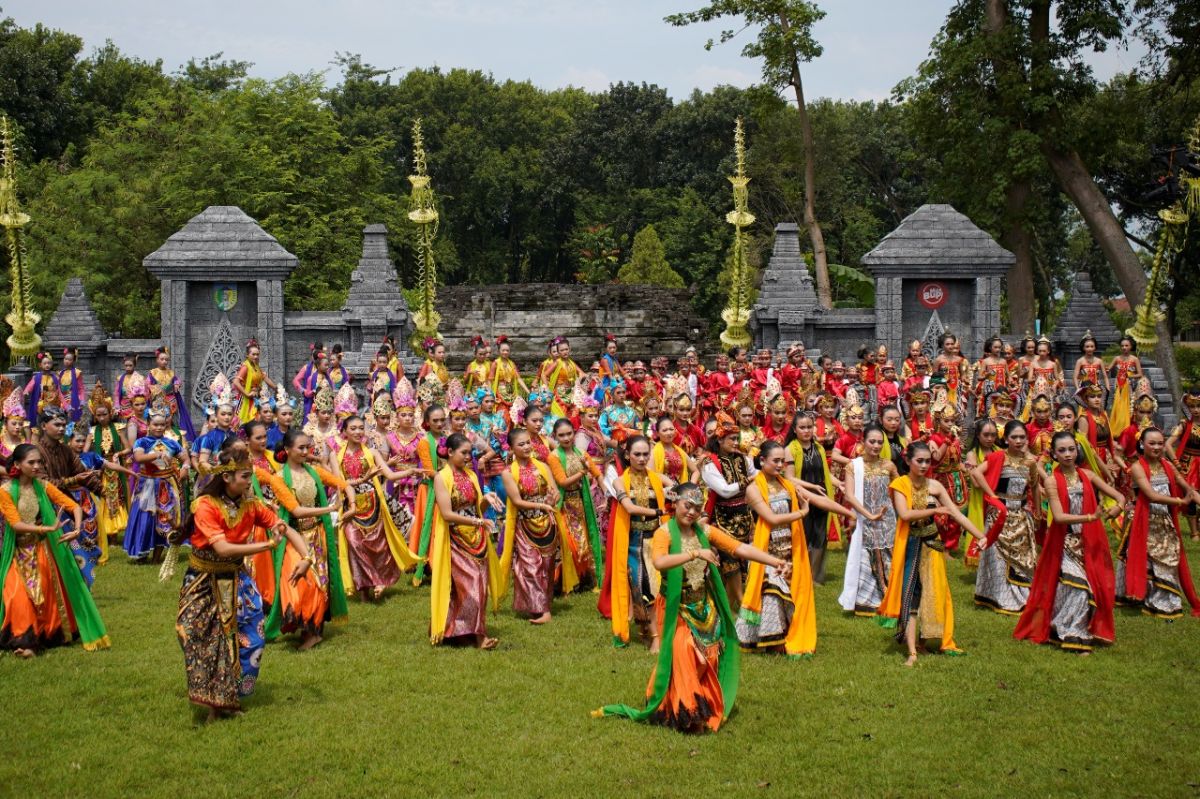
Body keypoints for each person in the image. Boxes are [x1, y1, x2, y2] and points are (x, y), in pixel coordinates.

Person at [593, 483, 788, 733]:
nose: (692, 512)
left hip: (704, 604)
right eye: (688, 506)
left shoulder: (704, 531)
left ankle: (700, 702)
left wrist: (775, 560)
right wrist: (696, 554)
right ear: (675, 504)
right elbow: (660, 562)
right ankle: (686, 711)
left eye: (697, 508)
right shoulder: (665, 533)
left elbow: (740, 548)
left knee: (707, 657)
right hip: (677, 606)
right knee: (684, 653)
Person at [176, 447, 308, 720]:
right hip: (203, 581)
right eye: (245, 476)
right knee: (201, 638)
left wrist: (307, 558)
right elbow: (222, 549)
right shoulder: (205, 506)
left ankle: (228, 698)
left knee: (252, 640)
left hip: (237, 579)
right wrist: (267, 545)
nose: (251, 482)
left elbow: (286, 528)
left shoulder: (251, 505)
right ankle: (217, 703)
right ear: (226, 477)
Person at [1014, 431, 1123, 652]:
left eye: (1071, 449)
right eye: (1062, 450)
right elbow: (1060, 517)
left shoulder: (1088, 476)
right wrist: (1091, 517)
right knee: (1079, 588)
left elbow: (1120, 497)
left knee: (1083, 588)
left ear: (1077, 450)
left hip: (1089, 543)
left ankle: (1059, 624)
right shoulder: (1053, 481)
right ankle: (1073, 634)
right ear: (1053, 454)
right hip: (1065, 543)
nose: (1067, 454)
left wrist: (1116, 508)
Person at [0, 443, 108, 658]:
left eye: (39, 462)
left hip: (41, 550)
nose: (37, 466)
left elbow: (74, 506)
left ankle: (32, 643)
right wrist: (47, 528)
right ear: (18, 465)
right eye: (31, 462)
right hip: (17, 551)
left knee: (45, 596)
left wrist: (76, 529)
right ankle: (25, 640)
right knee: (17, 595)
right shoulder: (4, 492)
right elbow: (16, 524)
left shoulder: (43, 486)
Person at [878, 441, 982, 666]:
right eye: (920, 461)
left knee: (934, 594)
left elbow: (957, 515)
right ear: (908, 461)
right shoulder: (900, 484)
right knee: (911, 595)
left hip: (932, 546)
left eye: (927, 461)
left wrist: (980, 537)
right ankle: (912, 652)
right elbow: (905, 515)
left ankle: (926, 643)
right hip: (911, 546)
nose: (925, 465)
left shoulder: (935, 486)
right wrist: (935, 509)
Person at [264, 429, 351, 651]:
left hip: (317, 536)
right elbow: (295, 511)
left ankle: (314, 632)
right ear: (287, 450)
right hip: (295, 538)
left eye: (307, 447)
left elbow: (342, 483)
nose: (306, 451)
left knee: (319, 583)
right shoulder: (278, 478)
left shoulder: (314, 472)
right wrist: (330, 508)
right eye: (301, 448)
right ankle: (304, 625)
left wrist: (349, 496)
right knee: (298, 583)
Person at [736, 440, 817, 657]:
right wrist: (802, 513)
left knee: (790, 593)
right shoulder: (753, 489)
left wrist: (853, 513)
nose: (781, 465)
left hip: (790, 547)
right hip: (766, 550)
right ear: (762, 461)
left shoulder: (786, 484)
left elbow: (815, 499)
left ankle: (787, 637)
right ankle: (773, 643)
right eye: (776, 461)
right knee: (772, 593)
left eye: (783, 461)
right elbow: (770, 518)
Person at [428, 433, 505, 648]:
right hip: (455, 540)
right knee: (469, 586)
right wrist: (477, 523)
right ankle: (478, 637)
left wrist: (486, 500)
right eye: (463, 452)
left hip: (476, 538)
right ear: (450, 452)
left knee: (479, 586)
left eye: (470, 452)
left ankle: (466, 630)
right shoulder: (441, 477)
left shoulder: (471, 474)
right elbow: (447, 514)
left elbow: (476, 507)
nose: (468, 456)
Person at [334, 414, 418, 602]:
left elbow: (389, 475)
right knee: (355, 544)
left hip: (373, 505)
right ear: (345, 431)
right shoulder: (336, 455)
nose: (357, 432)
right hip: (351, 507)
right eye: (353, 428)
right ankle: (366, 587)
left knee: (377, 546)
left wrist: (411, 471)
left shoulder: (372, 453)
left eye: (360, 428)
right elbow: (338, 482)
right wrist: (362, 480)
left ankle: (373, 585)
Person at [1117, 427, 1200, 617]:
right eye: (1152, 443)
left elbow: (1185, 486)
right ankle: (1154, 600)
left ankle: (1162, 597)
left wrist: (1192, 495)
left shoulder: (1167, 465)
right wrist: (1180, 501)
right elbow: (1151, 495)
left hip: (1165, 519)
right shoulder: (1137, 467)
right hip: (1144, 519)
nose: (1157, 447)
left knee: (1168, 555)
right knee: (1151, 558)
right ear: (1142, 445)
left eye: (1160, 443)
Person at [603, 434, 673, 650]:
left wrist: (673, 493)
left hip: (655, 541)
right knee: (639, 588)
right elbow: (630, 508)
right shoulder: (618, 481)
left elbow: (673, 487)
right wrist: (659, 510)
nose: (642, 459)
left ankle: (655, 636)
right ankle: (648, 630)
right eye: (637, 454)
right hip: (632, 543)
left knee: (654, 588)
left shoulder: (656, 477)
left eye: (645, 454)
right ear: (627, 455)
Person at [500, 427, 573, 623]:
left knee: (547, 567)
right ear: (512, 448)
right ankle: (544, 612)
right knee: (530, 566)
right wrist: (541, 504)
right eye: (521, 444)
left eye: (527, 443)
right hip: (525, 524)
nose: (526, 447)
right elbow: (517, 501)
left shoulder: (543, 466)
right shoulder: (508, 473)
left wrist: (553, 497)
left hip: (547, 523)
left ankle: (540, 605)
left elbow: (554, 492)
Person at [971, 420, 1040, 614]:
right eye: (1014, 437)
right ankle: (998, 596)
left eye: (1022, 437)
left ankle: (1022, 595)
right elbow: (976, 472)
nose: (1018, 441)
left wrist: (1037, 511)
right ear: (1006, 439)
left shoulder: (1030, 462)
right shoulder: (998, 458)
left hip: (1020, 514)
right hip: (999, 515)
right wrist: (992, 496)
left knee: (1023, 557)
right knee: (998, 558)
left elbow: (1034, 485)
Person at [36, 407, 102, 586]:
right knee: (51, 555)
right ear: (43, 425)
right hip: (42, 511)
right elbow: (44, 483)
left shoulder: (66, 450)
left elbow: (83, 474)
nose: (61, 429)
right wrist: (73, 480)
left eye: (63, 425)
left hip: (63, 508)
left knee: (76, 552)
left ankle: (72, 589)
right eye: (56, 424)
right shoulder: (35, 451)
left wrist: (102, 491)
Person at [839, 424, 899, 616]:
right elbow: (849, 495)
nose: (876, 446)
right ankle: (866, 601)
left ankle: (890, 598)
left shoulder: (888, 466)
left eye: (880, 442)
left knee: (888, 555)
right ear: (863, 442)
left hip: (887, 520)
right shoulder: (853, 466)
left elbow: (900, 490)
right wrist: (867, 515)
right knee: (866, 556)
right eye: (872, 441)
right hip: (866, 520)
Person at [700, 413, 754, 607]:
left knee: (743, 560)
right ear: (720, 440)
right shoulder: (710, 463)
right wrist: (747, 481)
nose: (736, 442)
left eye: (737, 438)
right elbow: (724, 490)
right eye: (732, 439)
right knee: (729, 562)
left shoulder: (742, 459)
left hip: (744, 516)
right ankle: (737, 601)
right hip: (722, 518)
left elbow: (756, 473)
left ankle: (733, 602)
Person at [124, 402, 187, 561]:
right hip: (147, 485)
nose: (159, 427)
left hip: (165, 485)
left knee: (165, 519)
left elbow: (185, 458)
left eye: (162, 424)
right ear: (149, 424)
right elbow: (138, 458)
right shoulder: (142, 442)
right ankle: (141, 553)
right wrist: (157, 455)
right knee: (145, 518)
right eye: (155, 424)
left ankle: (157, 556)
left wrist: (185, 467)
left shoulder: (172, 442)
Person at [548, 418, 605, 588]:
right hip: (564, 504)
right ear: (556, 437)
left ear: (574, 433)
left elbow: (597, 473)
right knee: (568, 543)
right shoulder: (554, 456)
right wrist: (583, 472)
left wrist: (606, 492)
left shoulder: (581, 453)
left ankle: (582, 579)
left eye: (569, 434)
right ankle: (565, 580)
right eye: (561, 435)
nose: (566, 438)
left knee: (584, 541)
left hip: (581, 502)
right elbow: (563, 482)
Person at [962, 418, 1000, 568]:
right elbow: (977, 483)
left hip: (997, 497)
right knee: (980, 529)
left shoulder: (999, 451)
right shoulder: (972, 455)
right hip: (981, 499)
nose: (990, 438)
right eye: (986, 435)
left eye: (993, 435)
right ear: (978, 435)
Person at [147, 345, 196, 440]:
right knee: (159, 421)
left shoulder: (171, 373)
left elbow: (177, 380)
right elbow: (147, 385)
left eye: (166, 359)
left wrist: (177, 384)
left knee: (172, 421)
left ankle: (174, 438)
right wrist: (154, 388)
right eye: (162, 359)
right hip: (158, 402)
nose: (164, 361)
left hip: (171, 401)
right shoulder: (152, 373)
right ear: (157, 360)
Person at [233, 339, 276, 426]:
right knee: (246, 423)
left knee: (257, 421)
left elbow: (265, 378)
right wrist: (247, 394)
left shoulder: (256, 367)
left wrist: (276, 388)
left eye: (257, 354)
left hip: (256, 398)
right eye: (253, 354)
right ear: (247, 355)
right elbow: (236, 382)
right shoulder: (245, 366)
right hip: (246, 399)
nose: (256, 357)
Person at [1108, 336, 1142, 438]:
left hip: (1130, 386)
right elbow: (1108, 369)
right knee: (1117, 407)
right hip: (1118, 386)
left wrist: (1129, 375)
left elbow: (1140, 374)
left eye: (1126, 345)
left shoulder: (1134, 359)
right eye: (1122, 346)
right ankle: (1116, 430)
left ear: (1131, 346)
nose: (1124, 347)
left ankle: (1127, 430)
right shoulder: (1117, 358)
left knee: (1128, 408)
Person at [488, 335, 528, 412]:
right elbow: (490, 380)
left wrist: (528, 391)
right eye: (503, 350)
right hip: (500, 394)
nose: (505, 352)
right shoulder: (495, 363)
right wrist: (491, 395)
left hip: (512, 394)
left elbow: (518, 378)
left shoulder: (512, 364)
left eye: (507, 350)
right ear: (499, 351)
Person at [23, 351, 63, 424]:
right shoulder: (37, 377)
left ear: (52, 364)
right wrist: (26, 391)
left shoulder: (55, 378)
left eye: (49, 363)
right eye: (44, 363)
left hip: (52, 404)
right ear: (40, 365)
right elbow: (30, 386)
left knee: (51, 421)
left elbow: (59, 390)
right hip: (40, 404)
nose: (47, 365)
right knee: (39, 422)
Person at [1072, 332, 1110, 397]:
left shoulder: (1099, 361)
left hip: (1097, 388)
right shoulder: (1080, 361)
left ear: (1095, 348)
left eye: (1092, 346)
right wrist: (1078, 388)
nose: (1090, 349)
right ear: (1083, 348)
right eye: (1087, 347)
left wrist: (1108, 388)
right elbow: (1075, 377)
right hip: (1084, 388)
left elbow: (1105, 376)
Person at [59, 347, 84, 423]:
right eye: (65, 359)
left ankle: (71, 434)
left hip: (73, 400)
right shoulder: (60, 373)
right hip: (62, 401)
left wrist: (82, 400)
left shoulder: (77, 373)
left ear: (73, 361)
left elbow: (81, 388)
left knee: (73, 422)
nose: (67, 361)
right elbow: (59, 390)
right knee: (62, 422)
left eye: (69, 359)